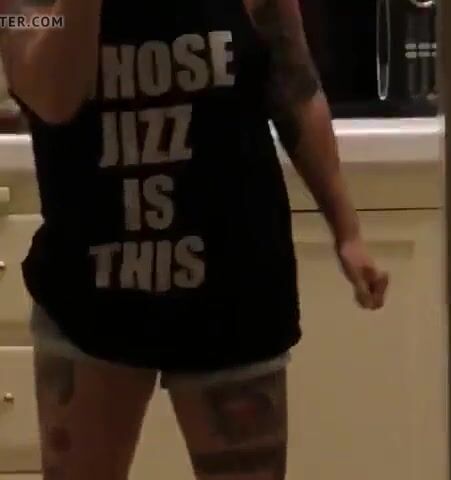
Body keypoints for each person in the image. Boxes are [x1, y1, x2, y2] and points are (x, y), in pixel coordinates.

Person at [0, 0, 389, 479]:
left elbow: (295, 88)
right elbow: (52, 97)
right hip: (90, 290)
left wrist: (347, 231)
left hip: (232, 280)